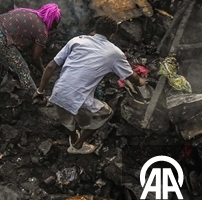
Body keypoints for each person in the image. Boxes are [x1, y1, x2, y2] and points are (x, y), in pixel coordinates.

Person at [36, 15, 145, 154]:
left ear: (95, 29)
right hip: (77, 98)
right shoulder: (114, 53)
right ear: (112, 35)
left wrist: (40, 91)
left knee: (68, 118)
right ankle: (78, 145)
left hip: (58, 91)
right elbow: (131, 76)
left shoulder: (76, 40)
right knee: (106, 113)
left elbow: (51, 66)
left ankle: (73, 136)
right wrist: (141, 82)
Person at [0, 4, 62, 91]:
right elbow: (35, 58)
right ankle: (35, 97)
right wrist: (43, 71)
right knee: (23, 70)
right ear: (52, 22)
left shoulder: (28, 11)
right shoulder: (42, 32)